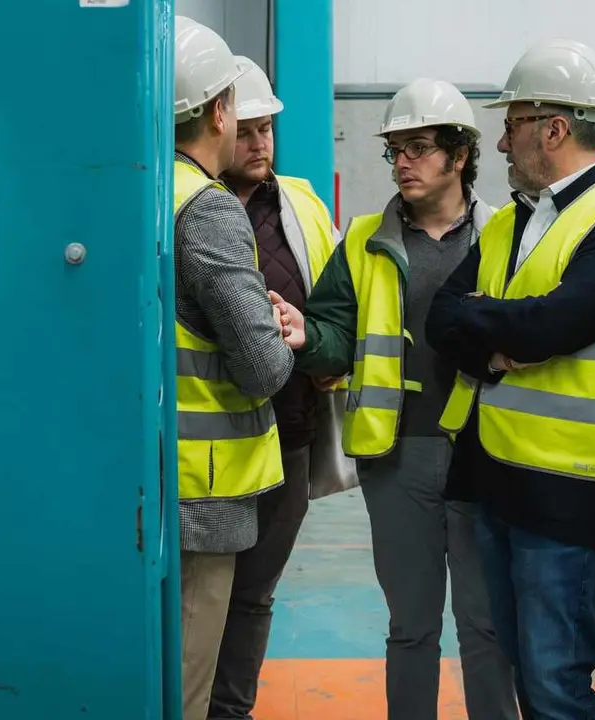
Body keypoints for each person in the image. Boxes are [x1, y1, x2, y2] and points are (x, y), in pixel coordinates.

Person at [424, 40, 595, 719]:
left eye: (511, 124)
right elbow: (442, 320)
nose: (502, 141)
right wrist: (493, 341)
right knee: (522, 667)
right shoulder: (514, 219)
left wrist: (494, 320)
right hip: (496, 477)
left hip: (570, 493)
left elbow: (549, 327)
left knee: (555, 685)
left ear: (554, 128)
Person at [272, 78, 519, 720]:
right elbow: (333, 334)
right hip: (398, 456)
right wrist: (307, 337)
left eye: (417, 147)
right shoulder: (362, 239)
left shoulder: (508, 237)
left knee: (487, 626)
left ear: (459, 155)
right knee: (411, 626)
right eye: (395, 150)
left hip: (484, 455)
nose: (402, 162)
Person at [208, 56, 345, 720]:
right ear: (217, 124)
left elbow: (339, 307)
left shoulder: (303, 204)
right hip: (210, 443)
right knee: (200, 596)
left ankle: (231, 711)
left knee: (254, 595)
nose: (261, 144)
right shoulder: (189, 209)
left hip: (289, 435)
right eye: (249, 130)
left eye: (268, 130)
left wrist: (321, 348)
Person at [170, 17, 295, 720]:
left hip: (148, 479)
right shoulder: (209, 210)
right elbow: (260, 369)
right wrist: (276, 335)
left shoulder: (140, 190)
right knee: (189, 681)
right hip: (204, 488)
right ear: (220, 111)